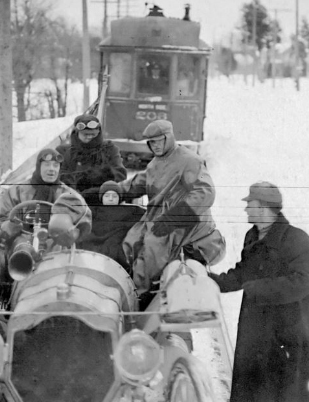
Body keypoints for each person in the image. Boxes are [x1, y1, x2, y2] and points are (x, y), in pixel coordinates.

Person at [209, 182, 309, 402]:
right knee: (260, 378)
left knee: (282, 378)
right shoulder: (253, 236)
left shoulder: (297, 239)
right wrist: (215, 282)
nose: (246, 208)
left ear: (265, 207)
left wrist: (258, 288)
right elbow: (242, 273)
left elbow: (303, 282)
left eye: (250, 203)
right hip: (257, 322)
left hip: (288, 325)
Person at [121, 119, 225, 293]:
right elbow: (139, 183)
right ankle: (130, 286)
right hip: (161, 221)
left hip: (185, 227)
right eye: (151, 142)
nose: (154, 146)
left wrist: (175, 217)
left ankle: (140, 294)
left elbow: (205, 192)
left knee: (152, 249)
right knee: (130, 241)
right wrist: (115, 190)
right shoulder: (155, 164)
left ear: (168, 138)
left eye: (158, 140)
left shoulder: (189, 160)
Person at [0, 148, 85, 243]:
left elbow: (82, 224)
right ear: (38, 166)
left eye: (55, 165)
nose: (51, 169)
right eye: (47, 164)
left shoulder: (69, 196)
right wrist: (11, 226)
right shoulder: (16, 191)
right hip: (21, 243)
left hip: (56, 245)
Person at [77, 180, 144, 269]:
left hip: (115, 246)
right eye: (107, 196)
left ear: (119, 198)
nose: (111, 199)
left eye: (114, 196)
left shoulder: (130, 211)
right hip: (93, 245)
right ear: (101, 198)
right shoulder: (92, 211)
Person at [56, 114, 127, 197]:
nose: (89, 137)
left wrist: (97, 180)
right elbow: (58, 177)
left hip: (103, 198)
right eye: (85, 134)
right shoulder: (64, 152)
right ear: (76, 133)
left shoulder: (109, 149)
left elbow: (120, 174)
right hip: (72, 198)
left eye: (93, 134)